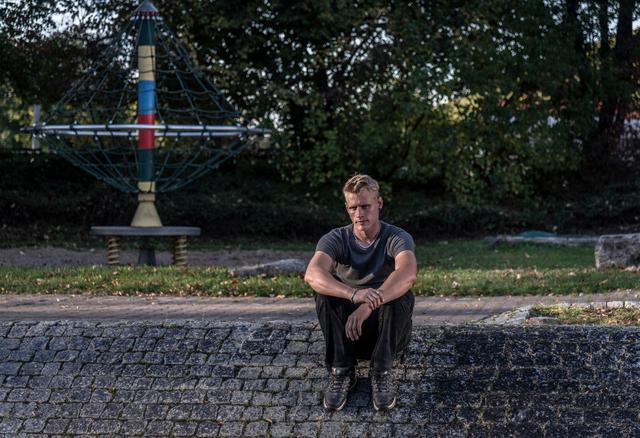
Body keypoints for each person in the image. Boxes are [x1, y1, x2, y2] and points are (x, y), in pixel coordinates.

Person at [304, 174, 417, 412]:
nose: (359, 214)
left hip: (387, 333)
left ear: (379, 203)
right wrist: (354, 295)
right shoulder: (336, 238)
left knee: (400, 293)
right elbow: (312, 274)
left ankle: (381, 371)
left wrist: (367, 305)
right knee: (323, 291)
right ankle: (342, 370)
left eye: (365, 206)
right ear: (347, 208)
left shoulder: (396, 237)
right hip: (348, 334)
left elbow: (408, 273)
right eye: (353, 208)